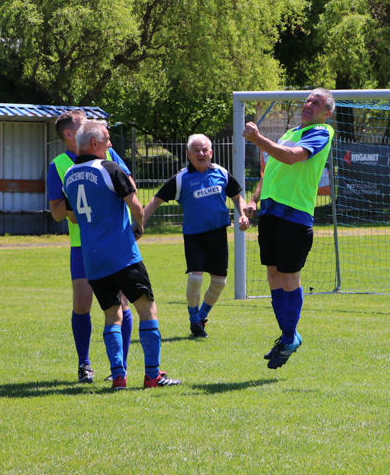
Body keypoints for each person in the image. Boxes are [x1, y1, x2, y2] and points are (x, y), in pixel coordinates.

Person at [62, 120, 181, 390]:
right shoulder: (109, 168)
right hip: (122, 254)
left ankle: (118, 378)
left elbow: (72, 217)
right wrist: (138, 227)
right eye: (107, 139)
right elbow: (136, 207)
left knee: (111, 314)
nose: (110, 144)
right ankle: (153, 375)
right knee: (146, 309)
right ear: (94, 144)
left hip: (92, 259)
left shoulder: (69, 175)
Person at [242, 89, 335, 369]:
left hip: (294, 215)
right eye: (308, 100)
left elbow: (293, 157)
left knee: (289, 278)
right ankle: (288, 337)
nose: (309, 105)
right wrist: (253, 199)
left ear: (326, 113)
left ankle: (288, 337)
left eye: (316, 103)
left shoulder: (322, 131)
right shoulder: (289, 132)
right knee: (272, 276)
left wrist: (258, 139)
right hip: (270, 212)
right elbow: (270, 170)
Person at [47, 109, 134, 383]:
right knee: (83, 303)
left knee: (122, 302)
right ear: (70, 134)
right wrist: (72, 207)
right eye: (84, 125)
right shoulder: (58, 165)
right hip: (82, 245)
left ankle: (121, 366)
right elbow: (58, 213)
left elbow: (128, 185)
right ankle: (84, 364)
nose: (92, 128)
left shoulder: (107, 153)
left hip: (115, 241)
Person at [143, 134, 250, 338]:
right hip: (194, 236)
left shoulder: (221, 173)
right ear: (188, 154)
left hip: (218, 234)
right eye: (196, 150)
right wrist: (140, 223)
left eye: (204, 150)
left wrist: (243, 215)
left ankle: (201, 316)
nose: (201, 154)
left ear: (211, 152)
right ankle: (194, 320)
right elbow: (155, 201)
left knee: (219, 283)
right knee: (195, 278)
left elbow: (237, 197)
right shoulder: (181, 178)